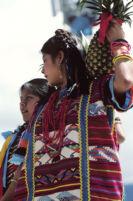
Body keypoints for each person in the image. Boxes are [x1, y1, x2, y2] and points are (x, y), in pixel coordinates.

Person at [12, 21, 133, 201]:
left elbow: (125, 80)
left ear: (59, 57)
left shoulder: (97, 91)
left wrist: (118, 42)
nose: (43, 70)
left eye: (45, 61)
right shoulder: (43, 108)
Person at [0, 78, 55, 201]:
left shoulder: (47, 134)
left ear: (45, 101)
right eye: (21, 99)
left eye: (29, 98)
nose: (22, 104)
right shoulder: (14, 138)